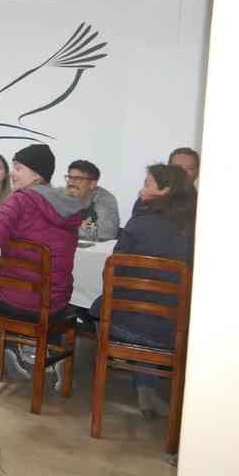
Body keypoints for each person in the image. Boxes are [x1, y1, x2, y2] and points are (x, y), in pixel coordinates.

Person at [90, 164, 197, 419]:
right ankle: (148, 386)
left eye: (147, 183)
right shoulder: (195, 230)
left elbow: (112, 274)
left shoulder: (139, 224)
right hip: (175, 328)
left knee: (100, 307)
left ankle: (140, 383)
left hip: (129, 324)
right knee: (150, 311)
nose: (141, 189)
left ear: (166, 190)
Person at [0, 143, 83, 382]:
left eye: (17, 168)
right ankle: (40, 351)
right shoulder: (69, 205)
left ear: (36, 174)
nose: (12, 173)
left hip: (19, 302)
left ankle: (13, 348)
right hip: (56, 302)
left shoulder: (20, 199)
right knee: (27, 283)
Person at [64, 159, 120, 241]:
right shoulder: (61, 196)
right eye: (70, 178)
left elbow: (106, 232)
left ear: (92, 184)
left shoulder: (105, 199)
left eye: (78, 179)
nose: (71, 183)